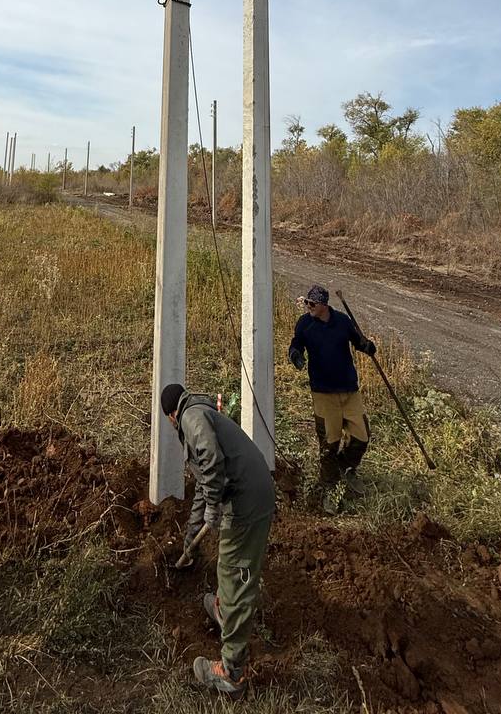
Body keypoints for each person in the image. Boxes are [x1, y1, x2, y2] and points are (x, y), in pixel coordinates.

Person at [161, 382, 275, 700]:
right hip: (248, 494)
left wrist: (214, 504)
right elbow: (203, 484)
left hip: (247, 502)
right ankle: (223, 608)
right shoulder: (202, 413)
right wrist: (191, 537)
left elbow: (211, 460)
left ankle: (231, 674)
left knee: (237, 573)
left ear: (171, 416)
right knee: (227, 564)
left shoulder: (191, 418)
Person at [287, 284, 375, 510]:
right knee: (329, 444)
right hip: (323, 393)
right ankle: (330, 489)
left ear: (324, 305)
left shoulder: (342, 321)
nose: (308, 307)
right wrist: (295, 355)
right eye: (307, 303)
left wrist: (367, 346)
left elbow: (358, 341)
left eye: (312, 304)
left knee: (362, 436)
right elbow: (296, 344)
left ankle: (345, 467)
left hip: (349, 390)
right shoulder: (305, 324)